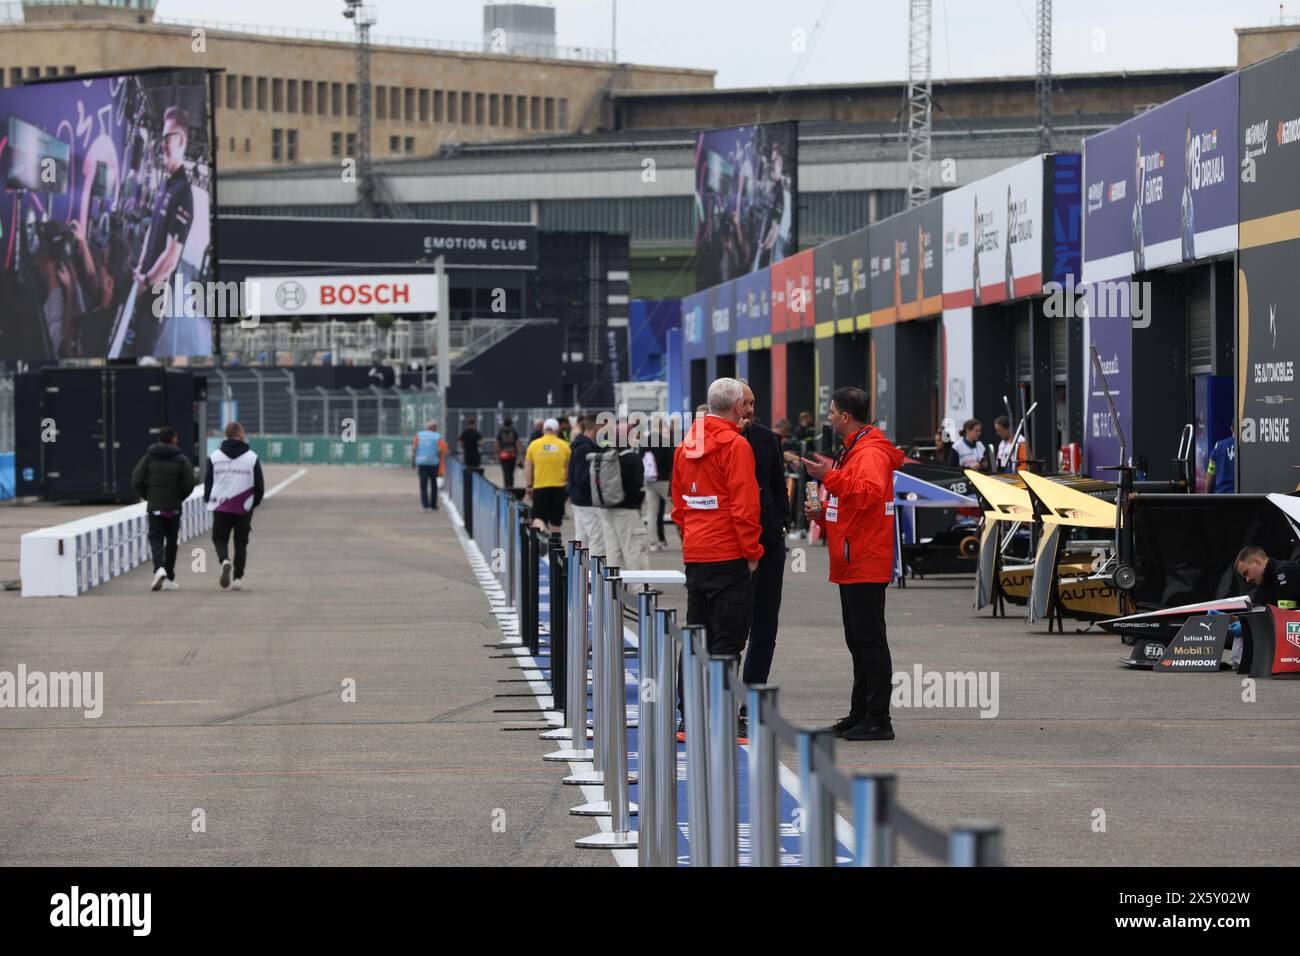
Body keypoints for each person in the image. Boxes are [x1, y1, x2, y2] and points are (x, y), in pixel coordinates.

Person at [801, 386, 905, 741]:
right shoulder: (857, 449)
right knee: (859, 640)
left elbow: (867, 494)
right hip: (855, 555)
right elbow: (852, 509)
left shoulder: (869, 451)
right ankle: (862, 712)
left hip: (864, 558)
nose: (828, 417)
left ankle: (878, 718)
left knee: (869, 641)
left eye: (831, 412)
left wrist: (827, 477)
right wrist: (821, 518)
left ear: (846, 416)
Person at [671, 377, 763, 743]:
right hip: (728, 554)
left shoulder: (685, 445)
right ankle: (725, 718)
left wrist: (691, 537)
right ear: (738, 408)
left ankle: (687, 718)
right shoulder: (736, 446)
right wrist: (752, 553)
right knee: (729, 638)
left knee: (696, 635)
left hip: (697, 553)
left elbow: (678, 505)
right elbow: (745, 507)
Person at [127, 105, 194, 358]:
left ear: (182, 141)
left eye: (168, 137)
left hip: (156, 294)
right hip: (145, 282)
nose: (162, 144)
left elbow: (170, 259)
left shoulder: (183, 193)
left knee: (142, 351)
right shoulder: (166, 186)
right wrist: (140, 267)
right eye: (162, 137)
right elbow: (151, 233)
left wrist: (146, 280)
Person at [739, 382, 791, 700]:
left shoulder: (765, 438)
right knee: (728, 630)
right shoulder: (706, 440)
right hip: (730, 549)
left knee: (765, 628)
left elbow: (777, 485)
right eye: (745, 403)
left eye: (753, 402)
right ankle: (708, 703)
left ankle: (750, 699)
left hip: (769, 542)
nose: (750, 409)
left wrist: (781, 523)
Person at [131, 425, 196, 591]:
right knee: (172, 542)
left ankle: (159, 568)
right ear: (173, 439)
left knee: (156, 539)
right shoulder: (181, 459)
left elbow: (136, 479)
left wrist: (148, 496)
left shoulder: (149, 457)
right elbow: (190, 482)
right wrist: (179, 497)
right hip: (173, 508)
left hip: (155, 507)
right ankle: (169, 577)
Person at [205, 421, 265, 591]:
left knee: (219, 539)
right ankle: (238, 578)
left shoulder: (215, 456)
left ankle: (224, 560)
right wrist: (254, 504)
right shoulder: (252, 457)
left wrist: (209, 499)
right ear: (240, 435)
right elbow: (259, 486)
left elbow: (208, 482)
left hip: (221, 505)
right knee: (241, 543)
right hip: (243, 507)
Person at [1234, 546, 1300, 670]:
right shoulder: (1260, 590)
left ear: (1257, 561)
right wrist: (1237, 621)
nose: (1247, 579)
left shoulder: (1285, 571)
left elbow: (1287, 616)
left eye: (1246, 573)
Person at [594, 423, 650, 571]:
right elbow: (638, 484)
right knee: (634, 549)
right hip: (628, 510)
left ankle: (613, 588)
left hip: (607, 508)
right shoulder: (633, 458)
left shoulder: (609, 457)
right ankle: (643, 588)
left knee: (613, 550)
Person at [567, 414, 605, 556]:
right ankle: (594, 574)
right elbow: (583, 476)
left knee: (582, 537)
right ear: (596, 428)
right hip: (587, 500)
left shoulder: (579, 445)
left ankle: (579, 570)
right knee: (597, 537)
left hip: (577, 498)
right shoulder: (586, 448)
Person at [524, 418, 570, 534]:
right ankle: (556, 545)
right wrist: (565, 481)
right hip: (558, 487)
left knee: (538, 517)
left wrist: (529, 485)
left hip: (540, 486)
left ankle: (542, 540)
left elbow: (528, 467)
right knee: (556, 521)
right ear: (557, 430)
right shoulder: (564, 446)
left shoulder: (534, 445)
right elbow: (567, 469)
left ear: (543, 429)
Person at [643, 422, 675, 552]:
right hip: (664, 481)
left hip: (649, 481)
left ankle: (653, 542)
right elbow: (671, 462)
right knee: (677, 507)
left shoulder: (645, 442)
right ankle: (685, 537)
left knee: (651, 512)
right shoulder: (665, 442)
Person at [411, 420, 447, 511]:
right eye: (436, 426)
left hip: (422, 463)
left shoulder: (418, 435)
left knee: (423, 484)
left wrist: (413, 462)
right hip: (433, 463)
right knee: (434, 484)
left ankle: (425, 504)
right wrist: (440, 462)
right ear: (432, 427)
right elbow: (440, 450)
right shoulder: (437, 437)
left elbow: (414, 448)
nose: (437, 428)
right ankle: (433, 504)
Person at [496, 417, 521, 489]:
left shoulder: (500, 432)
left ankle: (506, 487)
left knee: (505, 472)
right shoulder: (514, 431)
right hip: (512, 454)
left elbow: (497, 443)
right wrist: (520, 455)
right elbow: (517, 443)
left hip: (503, 455)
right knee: (511, 472)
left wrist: (498, 453)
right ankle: (511, 487)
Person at [1207, 426, 1235, 494]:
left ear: (1231, 429)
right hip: (1242, 497)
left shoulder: (1218, 446)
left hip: (1221, 495)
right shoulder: (1245, 446)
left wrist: (1207, 494)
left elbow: (1210, 473)